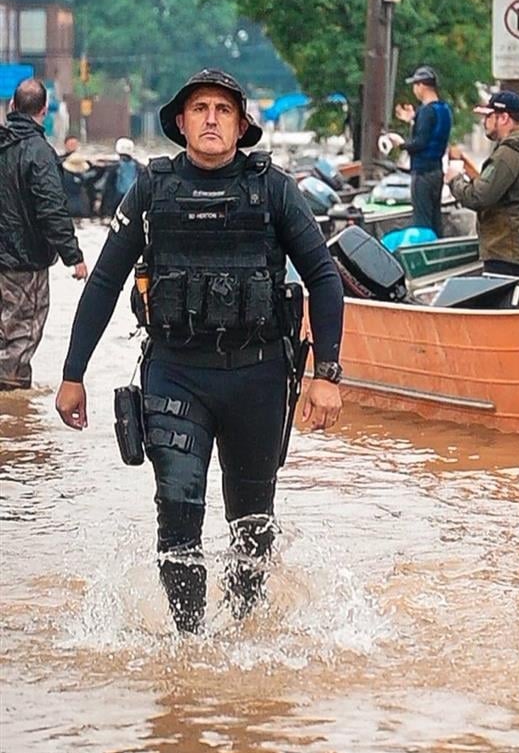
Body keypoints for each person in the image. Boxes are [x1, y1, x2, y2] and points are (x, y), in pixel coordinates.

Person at [55, 68, 345, 633]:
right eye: (200, 109)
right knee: (178, 516)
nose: (211, 118)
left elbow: (325, 278)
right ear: (182, 122)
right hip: (176, 377)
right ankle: (189, 646)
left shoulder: (275, 189)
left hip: (259, 379)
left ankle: (243, 633)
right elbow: (104, 282)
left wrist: (326, 374)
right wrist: (72, 374)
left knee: (252, 524)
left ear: (240, 124)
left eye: (223, 109)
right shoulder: (151, 189)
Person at [0, 78, 88, 390]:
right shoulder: (40, 153)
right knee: (19, 341)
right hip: (25, 264)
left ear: (12, 107)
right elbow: (51, 207)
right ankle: (14, 422)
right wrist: (73, 256)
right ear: (42, 111)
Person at [445, 90, 519, 278]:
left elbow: (479, 197)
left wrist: (454, 180)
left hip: (506, 255)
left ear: (504, 118)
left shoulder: (508, 155)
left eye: (489, 116)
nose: (484, 122)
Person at [393, 66, 453, 238]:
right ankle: (439, 256)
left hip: (422, 173)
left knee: (422, 222)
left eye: (415, 85)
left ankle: (425, 255)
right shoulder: (444, 109)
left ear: (421, 86)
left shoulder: (426, 111)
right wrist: (413, 120)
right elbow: (432, 135)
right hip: (436, 171)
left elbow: (420, 143)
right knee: (436, 219)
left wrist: (400, 143)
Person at [99, 137, 142, 218]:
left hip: (116, 202)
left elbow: (107, 189)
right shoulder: (139, 167)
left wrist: (103, 210)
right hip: (134, 203)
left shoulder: (113, 167)